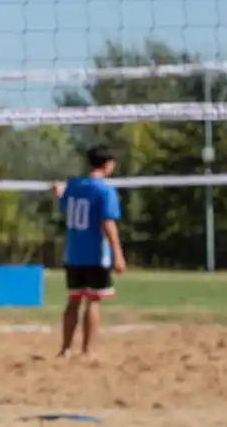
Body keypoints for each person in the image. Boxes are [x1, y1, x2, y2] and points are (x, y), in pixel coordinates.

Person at [53, 145, 126, 359]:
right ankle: (87, 350)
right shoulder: (104, 190)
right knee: (93, 300)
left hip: (74, 253)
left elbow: (65, 205)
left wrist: (58, 194)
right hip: (95, 254)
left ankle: (65, 348)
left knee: (74, 299)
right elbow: (108, 223)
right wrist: (118, 254)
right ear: (107, 164)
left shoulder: (74, 186)